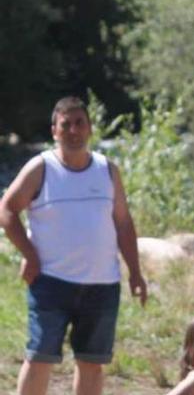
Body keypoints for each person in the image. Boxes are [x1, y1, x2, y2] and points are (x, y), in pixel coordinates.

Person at [0, 96, 148, 395]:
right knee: (40, 359)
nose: (73, 130)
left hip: (102, 285)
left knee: (91, 365)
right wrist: (30, 255)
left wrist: (135, 272)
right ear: (54, 131)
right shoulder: (40, 168)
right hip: (51, 283)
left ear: (90, 128)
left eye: (79, 123)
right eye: (65, 125)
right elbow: (7, 209)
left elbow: (123, 223)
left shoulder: (107, 171)